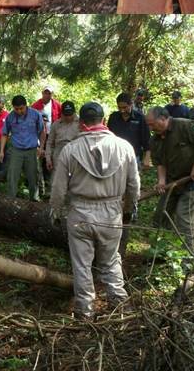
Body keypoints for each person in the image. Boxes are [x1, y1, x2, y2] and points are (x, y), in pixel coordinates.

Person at [50, 102, 140, 320]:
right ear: (104, 121)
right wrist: (129, 208)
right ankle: (120, 308)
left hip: (80, 212)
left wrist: (55, 211)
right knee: (110, 261)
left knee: (82, 265)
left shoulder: (70, 150)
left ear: (81, 123)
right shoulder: (124, 147)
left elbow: (58, 188)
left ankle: (85, 311)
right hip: (111, 212)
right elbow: (133, 184)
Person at [146, 106, 194, 255]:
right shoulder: (155, 139)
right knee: (160, 217)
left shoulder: (185, 126)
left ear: (164, 118)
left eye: (152, 124)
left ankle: (187, 262)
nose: (150, 127)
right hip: (173, 183)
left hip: (193, 181)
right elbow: (160, 163)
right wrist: (161, 181)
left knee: (183, 219)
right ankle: (158, 255)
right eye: (149, 124)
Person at [0, 95, 46, 201]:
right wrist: (1, 151)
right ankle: (11, 199)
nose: (19, 111)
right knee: (12, 175)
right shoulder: (10, 117)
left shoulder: (35, 115)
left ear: (26, 106)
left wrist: (41, 147)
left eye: (21, 108)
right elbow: (4, 134)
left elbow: (42, 132)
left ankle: (34, 199)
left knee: (33, 176)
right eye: (16, 109)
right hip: (16, 150)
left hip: (32, 150)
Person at [107, 92, 152, 168]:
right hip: (115, 157)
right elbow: (108, 137)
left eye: (125, 107)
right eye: (119, 108)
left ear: (131, 104)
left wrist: (147, 157)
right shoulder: (113, 117)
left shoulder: (140, 118)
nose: (122, 110)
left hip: (134, 157)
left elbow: (146, 140)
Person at [45, 100, 79, 173]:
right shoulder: (56, 124)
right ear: (62, 114)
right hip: (58, 154)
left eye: (70, 115)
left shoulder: (81, 124)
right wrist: (48, 159)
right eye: (66, 115)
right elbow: (50, 142)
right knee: (57, 181)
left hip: (75, 154)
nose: (68, 117)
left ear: (74, 113)